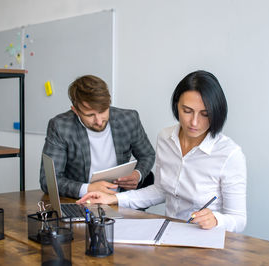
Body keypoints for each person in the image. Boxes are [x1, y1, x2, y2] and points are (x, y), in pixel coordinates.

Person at [77, 70, 247, 233]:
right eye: (187, 111)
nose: (194, 122)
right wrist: (113, 199)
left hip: (206, 239)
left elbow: (238, 219)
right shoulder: (166, 138)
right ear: (176, 106)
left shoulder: (229, 155)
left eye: (205, 114)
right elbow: (160, 190)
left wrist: (217, 220)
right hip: (170, 232)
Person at [40, 75, 155, 199]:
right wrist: (87, 189)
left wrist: (137, 174)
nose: (99, 121)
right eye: (90, 115)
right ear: (75, 110)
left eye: (103, 111)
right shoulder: (60, 126)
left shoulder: (129, 119)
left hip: (120, 199)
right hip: (81, 202)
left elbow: (147, 155)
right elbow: (48, 181)